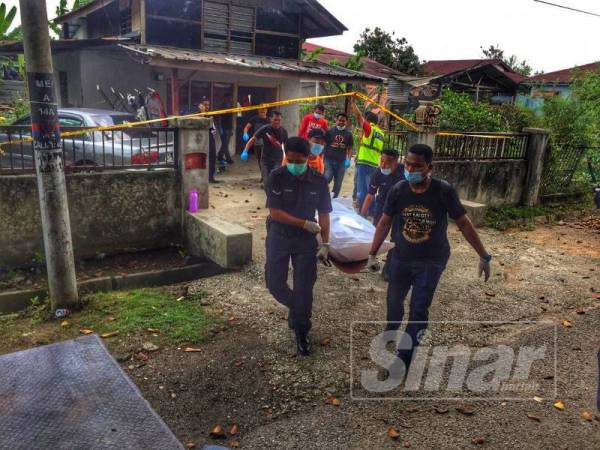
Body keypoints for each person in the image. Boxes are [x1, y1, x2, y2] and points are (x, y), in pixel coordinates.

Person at [367, 144, 492, 377]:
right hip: (401, 257)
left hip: (431, 260)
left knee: (418, 310)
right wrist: (373, 253)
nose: (411, 169)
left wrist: (483, 255)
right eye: (408, 164)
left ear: (429, 168)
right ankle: (391, 330)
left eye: (417, 166)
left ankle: (403, 360)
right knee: (394, 304)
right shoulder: (398, 190)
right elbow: (384, 222)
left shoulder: (442, 191)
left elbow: (463, 223)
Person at [265, 137, 332, 356]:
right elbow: (274, 212)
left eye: (298, 160)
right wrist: (303, 223)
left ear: (308, 158)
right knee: (274, 283)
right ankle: (297, 307)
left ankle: (302, 332)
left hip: (305, 241)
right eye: (289, 159)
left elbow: (324, 214)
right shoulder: (277, 176)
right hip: (279, 235)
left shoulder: (320, 182)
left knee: (305, 286)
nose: (293, 164)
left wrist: (326, 244)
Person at [351, 97, 385, 212]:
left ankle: (362, 211)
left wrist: (353, 103)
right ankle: (371, 210)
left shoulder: (369, 129)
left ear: (368, 121)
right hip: (375, 163)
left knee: (362, 190)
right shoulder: (381, 133)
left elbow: (359, 117)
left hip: (365, 163)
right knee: (371, 189)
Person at [242, 111, 288, 191]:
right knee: (266, 182)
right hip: (265, 160)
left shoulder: (283, 131)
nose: (277, 122)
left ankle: (273, 200)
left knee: (274, 180)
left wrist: (288, 160)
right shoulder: (265, 129)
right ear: (270, 119)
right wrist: (245, 150)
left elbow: (287, 146)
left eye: (279, 120)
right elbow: (253, 139)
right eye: (275, 120)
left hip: (277, 160)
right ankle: (270, 198)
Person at [360, 148, 405, 226]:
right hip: (382, 202)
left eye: (387, 163)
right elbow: (370, 195)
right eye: (381, 161)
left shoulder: (404, 172)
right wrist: (362, 216)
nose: (383, 166)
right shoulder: (377, 173)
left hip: (400, 204)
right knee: (376, 226)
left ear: (395, 163)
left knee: (398, 230)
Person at [324, 112, 354, 198]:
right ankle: (322, 195)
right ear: (336, 120)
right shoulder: (330, 131)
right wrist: (322, 157)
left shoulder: (349, 134)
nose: (341, 122)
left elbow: (350, 148)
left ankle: (334, 199)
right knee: (327, 177)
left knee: (338, 183)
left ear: (346, 122)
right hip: (328, 160)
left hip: (341, 162)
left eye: (343, 121)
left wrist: (348, 160)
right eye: (340, 120)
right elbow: (324, 144)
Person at [242, 107, 270, 176]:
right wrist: (245, 133)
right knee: (260, 160)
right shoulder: (254, 119)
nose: (263, 110)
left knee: (265, 160)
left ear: (267, 110)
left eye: (264, 109)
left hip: (266, 143)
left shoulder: (269, 120)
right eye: (261, 109)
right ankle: (263, 175)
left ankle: (265, 176)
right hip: (257, 142)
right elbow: (246, 127)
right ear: (258, 110)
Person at [199, 97, 221, 184]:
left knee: (212, 156)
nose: (207, 106)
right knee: (202, 158)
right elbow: (201, 123)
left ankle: (211, 177)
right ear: (200, 106)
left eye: (208, 105)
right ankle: (202, 178)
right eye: (205, 105)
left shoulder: (210, 114)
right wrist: (202, 113)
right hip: (201, 139)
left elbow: (212, 127)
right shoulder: (198, 114)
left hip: (210, 136)